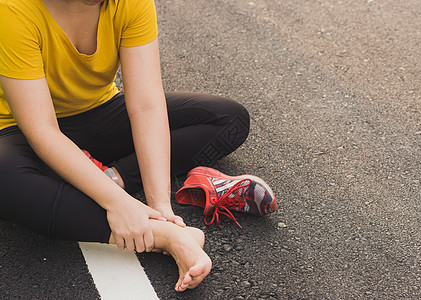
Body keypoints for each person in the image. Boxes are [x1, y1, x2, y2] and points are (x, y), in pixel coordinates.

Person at [0, 0, 251, 292]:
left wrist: (161, 206)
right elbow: (42, 131)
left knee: (228, 119)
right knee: (6, 179)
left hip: (98, 112)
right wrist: (122, 207)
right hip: (19, 129)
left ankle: (112, 178)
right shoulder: (12, 9)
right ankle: (160, 235)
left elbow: (146, 106)